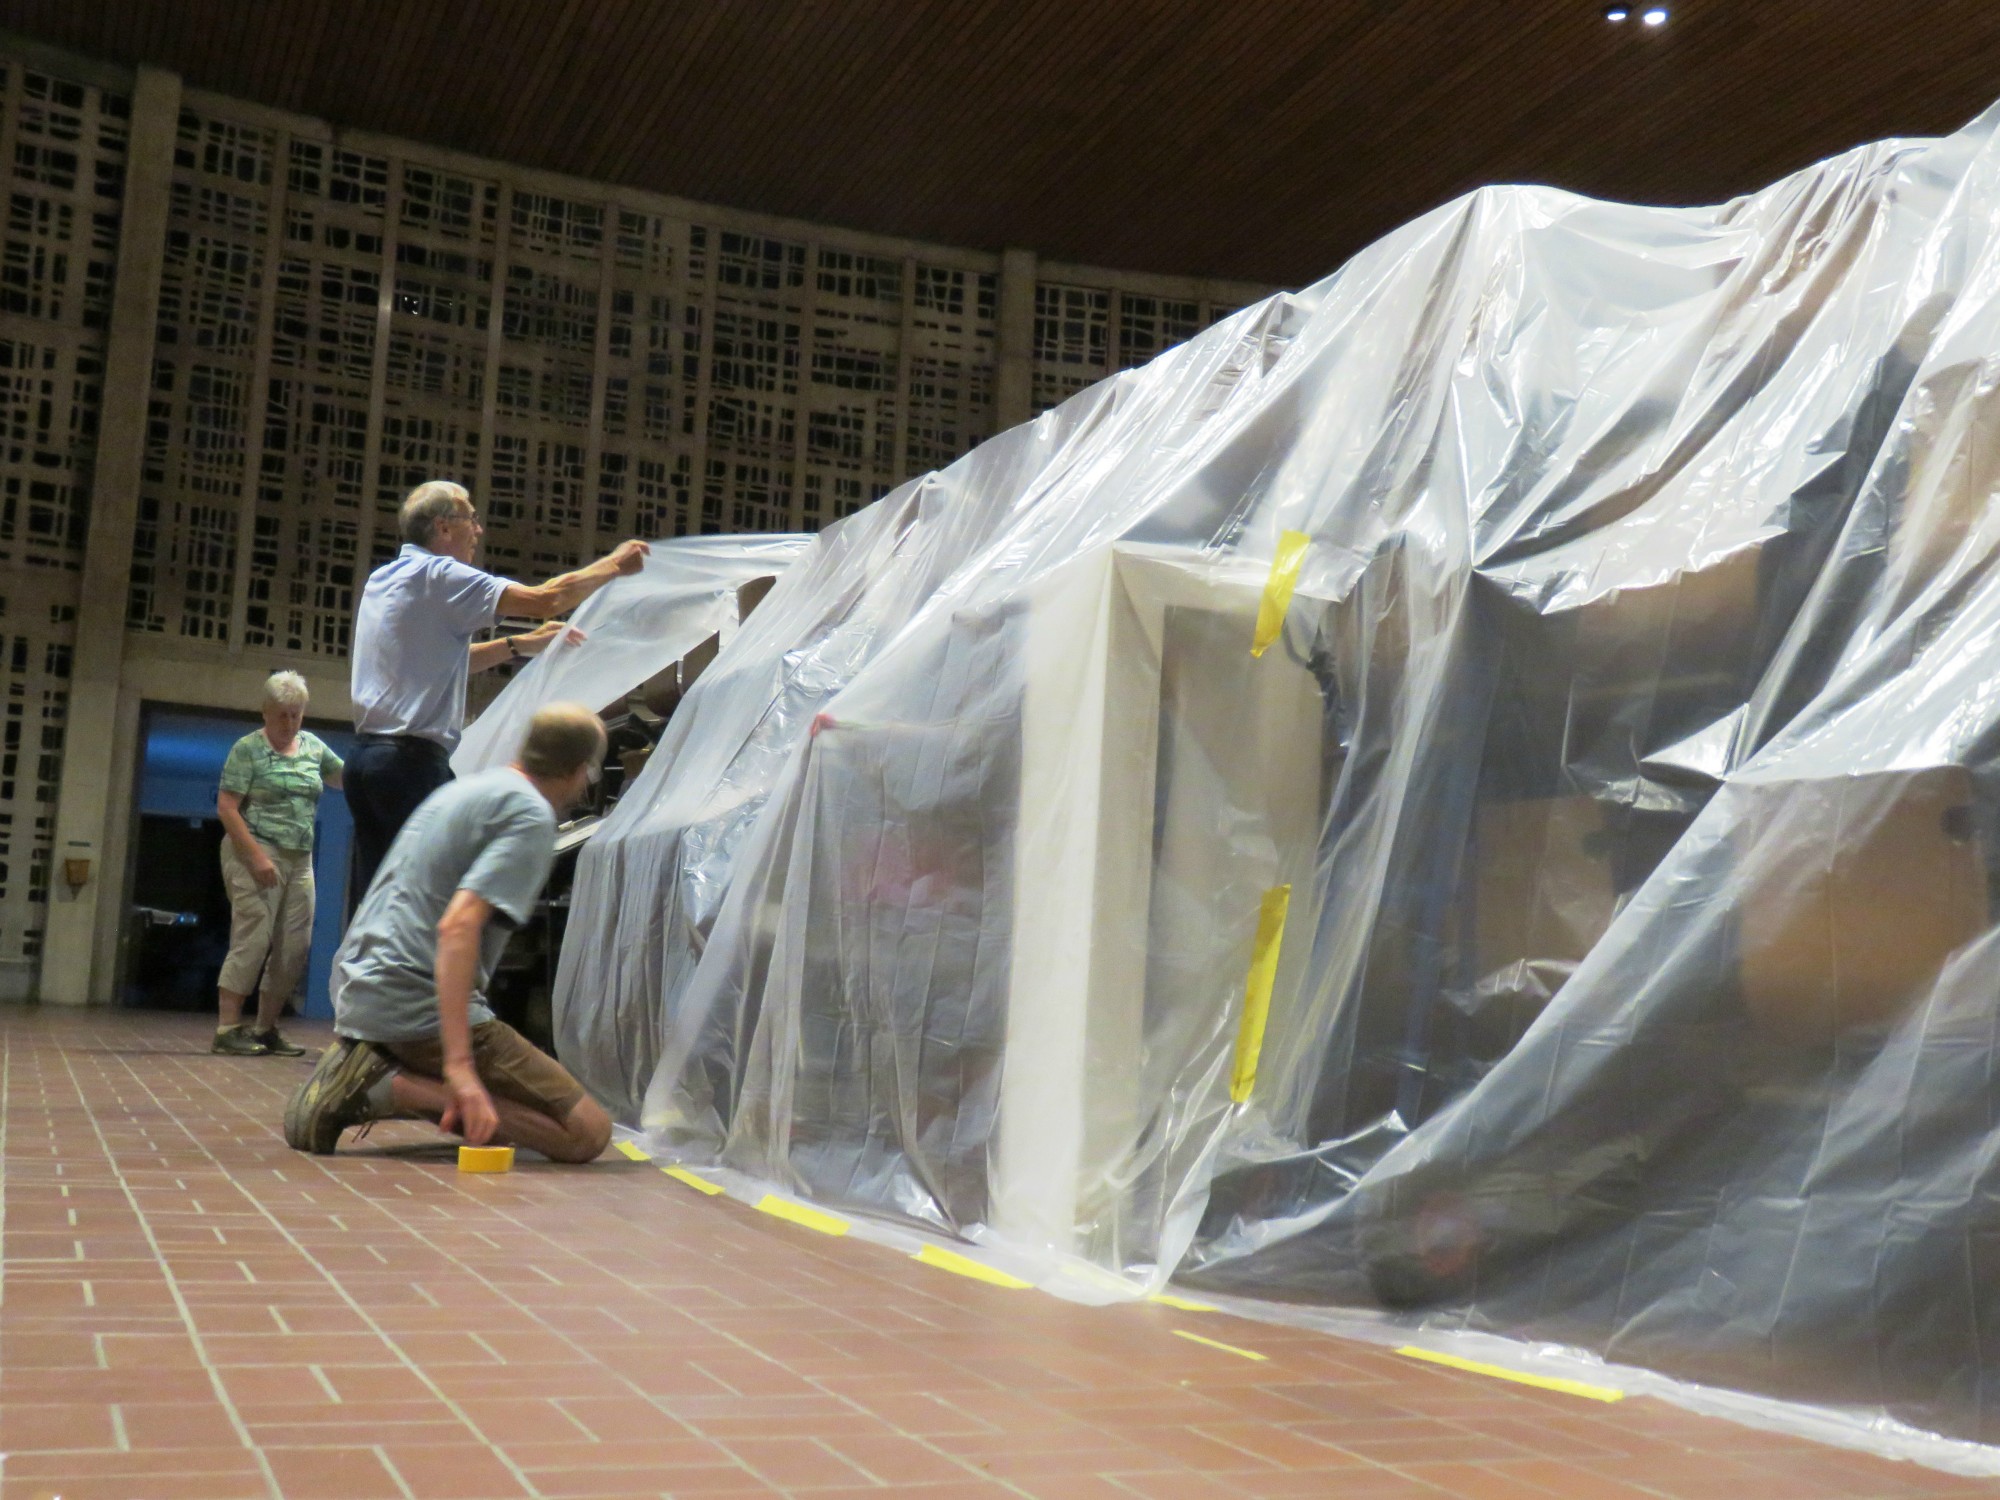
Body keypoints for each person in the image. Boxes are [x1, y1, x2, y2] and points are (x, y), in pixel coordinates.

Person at [283, 702, 614, 1163]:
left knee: (526, 1095)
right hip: (414, 1007)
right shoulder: (530, 816)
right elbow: (458, 927)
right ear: (582, 771)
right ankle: (389, 1087)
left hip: (363, 986)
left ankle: (383, 1071)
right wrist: (459, 1069)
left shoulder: (468, 788)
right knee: (585, 1132)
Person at [344, 479, 649, 902]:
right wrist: (614, 565)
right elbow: (547, 598)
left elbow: (442, 662)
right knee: (425, 904)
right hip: (408, 766)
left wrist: (519, 645)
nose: (479, 530)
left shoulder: (387, 578)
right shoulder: (441, 574)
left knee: (377, 904)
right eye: (471, 517)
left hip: (366, 762)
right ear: (443, 528)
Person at [212, 671, 343, 1057]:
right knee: (254, 936)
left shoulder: (314, 748)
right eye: (282, 714)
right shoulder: (247, 749)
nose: (289, 723)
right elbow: (227, 806)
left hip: (299, 858)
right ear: (266, 713)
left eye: (296, 715)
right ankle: (227, 1028)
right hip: (252, 849)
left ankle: (266, 1028)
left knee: (294, 947)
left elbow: (344, 777)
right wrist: (256, 858)